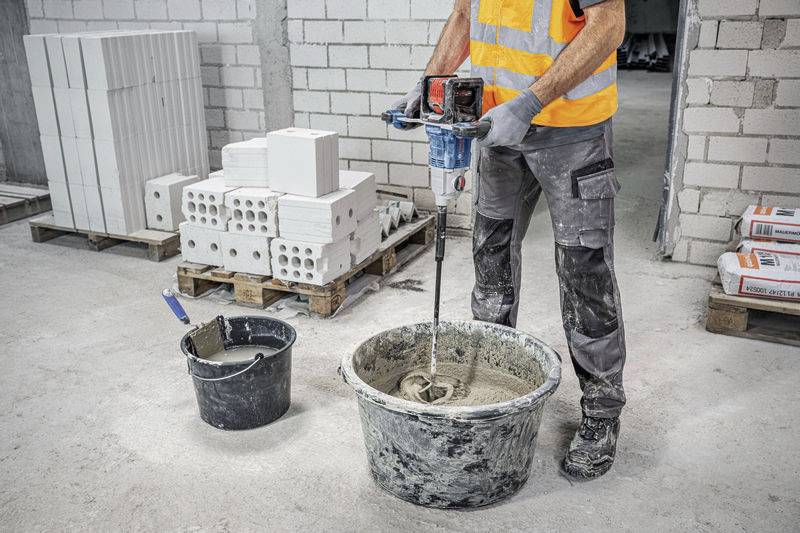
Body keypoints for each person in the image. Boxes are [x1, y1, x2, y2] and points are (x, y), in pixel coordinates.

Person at [393, 0, 627, 479]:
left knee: (584, 268)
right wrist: (429, 86)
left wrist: (530, 102)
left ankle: (602, 411)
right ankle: (494, 385)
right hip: (498, 128)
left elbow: (608, 27)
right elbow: (464, 17)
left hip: (573, 131)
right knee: (491, 254)